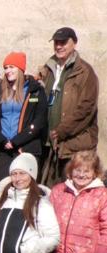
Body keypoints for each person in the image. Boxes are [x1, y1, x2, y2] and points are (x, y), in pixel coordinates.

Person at [38, 27, 99, 185]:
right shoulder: (48, 69)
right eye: (56, 42)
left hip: (74, 145)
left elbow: (86, 108)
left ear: (74, 43)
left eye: (63, 42)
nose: (59, 46)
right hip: (50, 144)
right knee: (51, 194)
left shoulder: (84, 72)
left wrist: (62, 131)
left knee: (74, 191)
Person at [0, 52, 48, 183]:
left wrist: (17, 141)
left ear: (20, 69)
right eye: (6, 67)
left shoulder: (35, 90)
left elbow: (39, 120)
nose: (8, 71)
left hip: (25, 148)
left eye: (12, 67)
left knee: (24, 189)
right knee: (4, 188)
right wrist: (1, 140)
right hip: (2, 150)